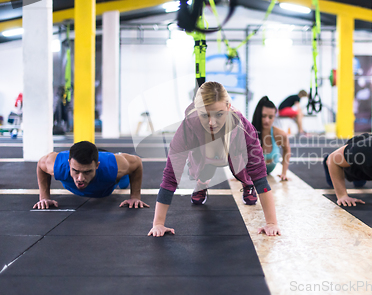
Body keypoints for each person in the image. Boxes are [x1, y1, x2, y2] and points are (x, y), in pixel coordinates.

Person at [148, 81, 280, 237]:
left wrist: (271, 223)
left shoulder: (243, 127)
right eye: (205, 115)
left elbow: (259, 175)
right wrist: (158, 223)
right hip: (206, 156)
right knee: (204, 166)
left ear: (228, 107)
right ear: (197, 111)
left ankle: (246, 182)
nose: (212, 122)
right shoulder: (188, 127)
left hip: (234, 154)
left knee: (247, 170)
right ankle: (202, 183)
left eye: (219, 114)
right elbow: (171, 176)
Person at [33, 141, 149, 209]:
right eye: (76, 171)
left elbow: (137, 162)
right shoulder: (57, 165)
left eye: (87, 172)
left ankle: (116, 155)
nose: (80, 179)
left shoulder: (111, 168)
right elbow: (40, 165)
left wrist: (135, 197)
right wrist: (44, 197)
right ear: (69, 164)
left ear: (97, 166)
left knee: (123, 182)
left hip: (107, 184)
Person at [252, 96, 291, 180]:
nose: (267, 120)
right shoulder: (249, 133)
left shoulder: (280, 134)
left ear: (274, 117)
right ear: (258, 115)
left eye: (270, 117)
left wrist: (284, 173)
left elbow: (287, 150)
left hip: (268, 172)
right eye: (263, 116)